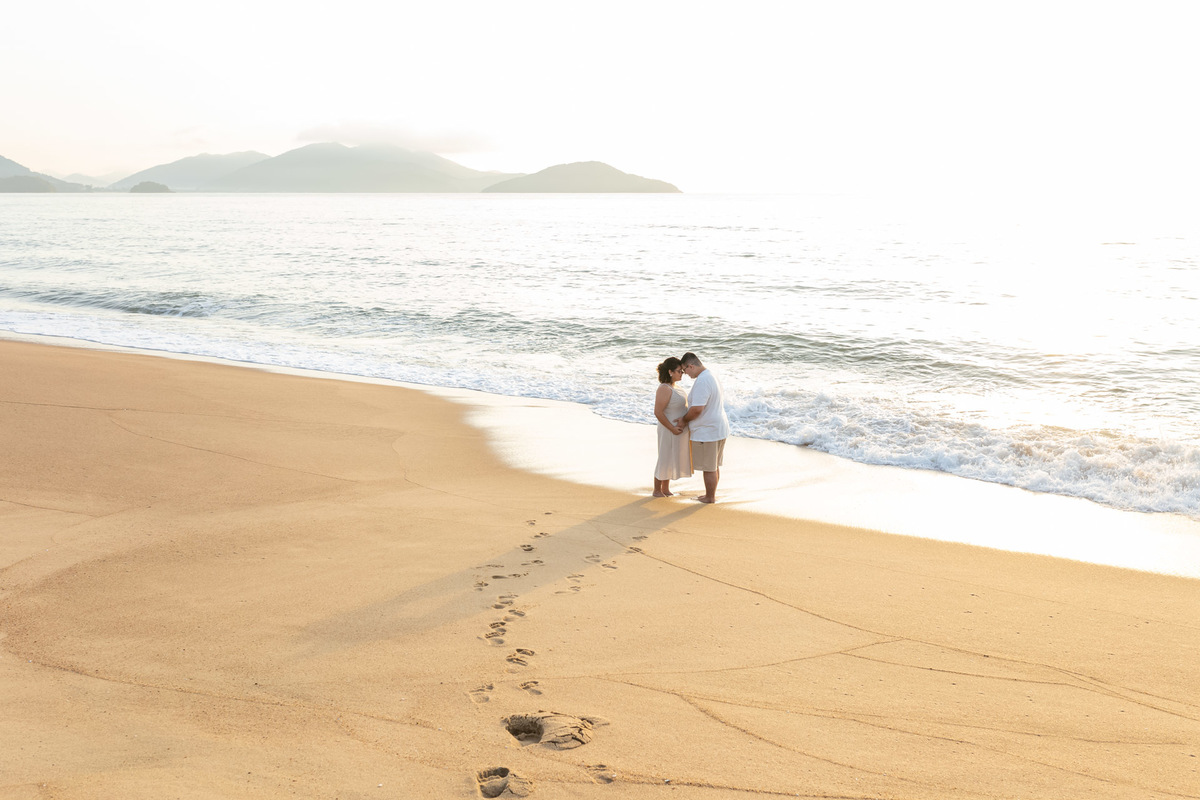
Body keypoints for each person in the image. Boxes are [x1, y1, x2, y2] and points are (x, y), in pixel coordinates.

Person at [678, 352, 729, 503]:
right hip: (718, 428)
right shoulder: (711, 374)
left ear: (691, 366)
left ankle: (710, 497)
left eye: (684, 370)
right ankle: (710, 494)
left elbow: (697, 409)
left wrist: (684, 420)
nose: (685, 374)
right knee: (713, 465)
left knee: (709, 467)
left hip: (708, 431)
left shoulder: (702, 381)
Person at [652, 356, 691, 496]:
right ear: (670, 372)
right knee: (664, 456)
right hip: (668, 429)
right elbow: (658, 412)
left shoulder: (676, 387)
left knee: (671, 457)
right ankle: (657, 489)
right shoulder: (664, 388)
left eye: (682, 371)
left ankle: (665, 488)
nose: (682, 374)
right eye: (679, 371)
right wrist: (672, 428)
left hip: (676, 430)